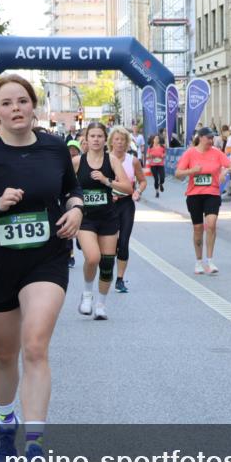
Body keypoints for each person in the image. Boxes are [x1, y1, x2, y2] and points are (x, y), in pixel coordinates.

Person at [0, 74, 84, 462]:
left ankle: (35, 446)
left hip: (46, 259)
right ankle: (6, 423)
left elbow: (72, 189)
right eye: (7, 103)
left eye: (22, 101)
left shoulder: (54, 146)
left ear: (33, 106)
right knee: (4, 355)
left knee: (35, 346)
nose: (16, 109)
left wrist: (76, 210)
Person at [73, 122, 133, 320]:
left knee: (107, 264)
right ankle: (87, 295)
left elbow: (128, 188)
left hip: (108, 217)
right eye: (92, 136)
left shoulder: (112, 160)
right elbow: (65, 186)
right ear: (86, 139)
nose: (96, 140)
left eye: (100, 136)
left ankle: (100, 305)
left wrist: (107, 181)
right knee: (93, 257)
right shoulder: (77, 162)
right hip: (86, 218)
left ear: (104, 139)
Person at [175, 126, 231, 273]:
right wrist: (192, 171)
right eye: (208, 138)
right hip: (194, 195)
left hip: (212, 193)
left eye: (212, 138)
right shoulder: (190, 153)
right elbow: (178, 173)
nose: (211, 140)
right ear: (200, 138)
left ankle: (210, 261)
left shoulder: (217, 152)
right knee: (198, 229)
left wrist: (225, 171)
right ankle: (198, 261)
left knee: (211, 224)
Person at [108, 126, 147, 293]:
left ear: (127, 143)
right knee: (109, 244)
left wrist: (138, 191)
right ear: (111, 142)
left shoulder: (133, 161)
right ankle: (106, 272)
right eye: (116, 139)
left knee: (123, 242)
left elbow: (143, 180)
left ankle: (120, 279)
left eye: (123, 140)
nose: (119, 143)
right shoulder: (104, 159)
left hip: (126, 204)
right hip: (108, 205)